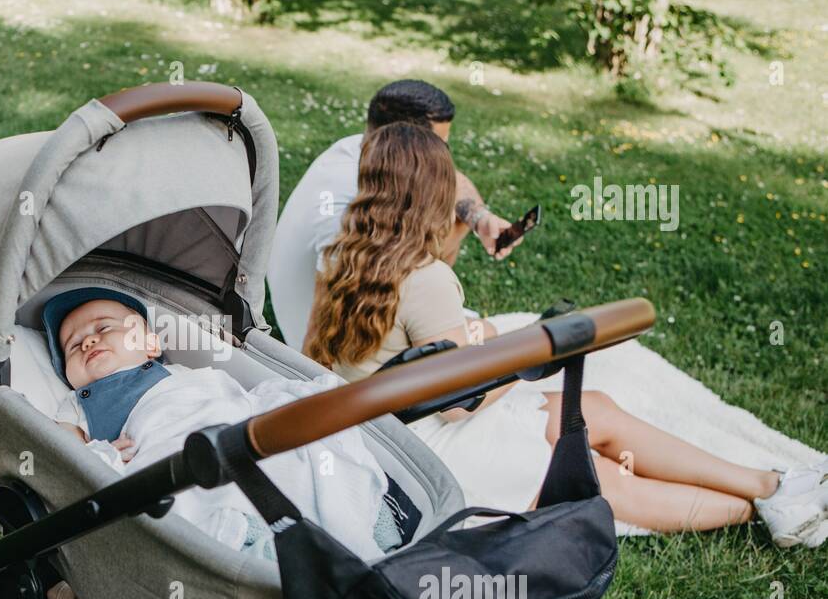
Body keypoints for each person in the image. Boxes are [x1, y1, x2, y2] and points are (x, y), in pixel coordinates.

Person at [302, 122, 828, 547]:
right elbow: (460, 402)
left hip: (376, 429)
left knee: (592, 407)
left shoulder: (338, 254)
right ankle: (765, 508)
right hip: (425, 450)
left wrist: (478, 338)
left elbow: (331, 357)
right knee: (595, 475)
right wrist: (522, 353)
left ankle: (770, 485)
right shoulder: (425, 277)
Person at [41, 287, 402, 561]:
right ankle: (259, 545)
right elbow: (62, 447)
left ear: (150, 344)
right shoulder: (79, 404)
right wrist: (96, 453)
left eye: (104, 328)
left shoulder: (182, 373)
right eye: (73, 346)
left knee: (303, 452)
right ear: (71, 378)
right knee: (208, 492)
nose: (88, 340)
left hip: (235, 425)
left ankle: (360, 527)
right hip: (175, 453)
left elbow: (231, 395)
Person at [268, 79, 515, 350]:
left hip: (351, 334)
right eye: (440, 145)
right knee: (502, 343)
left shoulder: (362, 152)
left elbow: (454, 180)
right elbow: (334, 331)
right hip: (347, 342)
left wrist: (479, 218)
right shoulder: (344, 213)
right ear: (409, 143)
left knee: (488, 332)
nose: (447, 154)